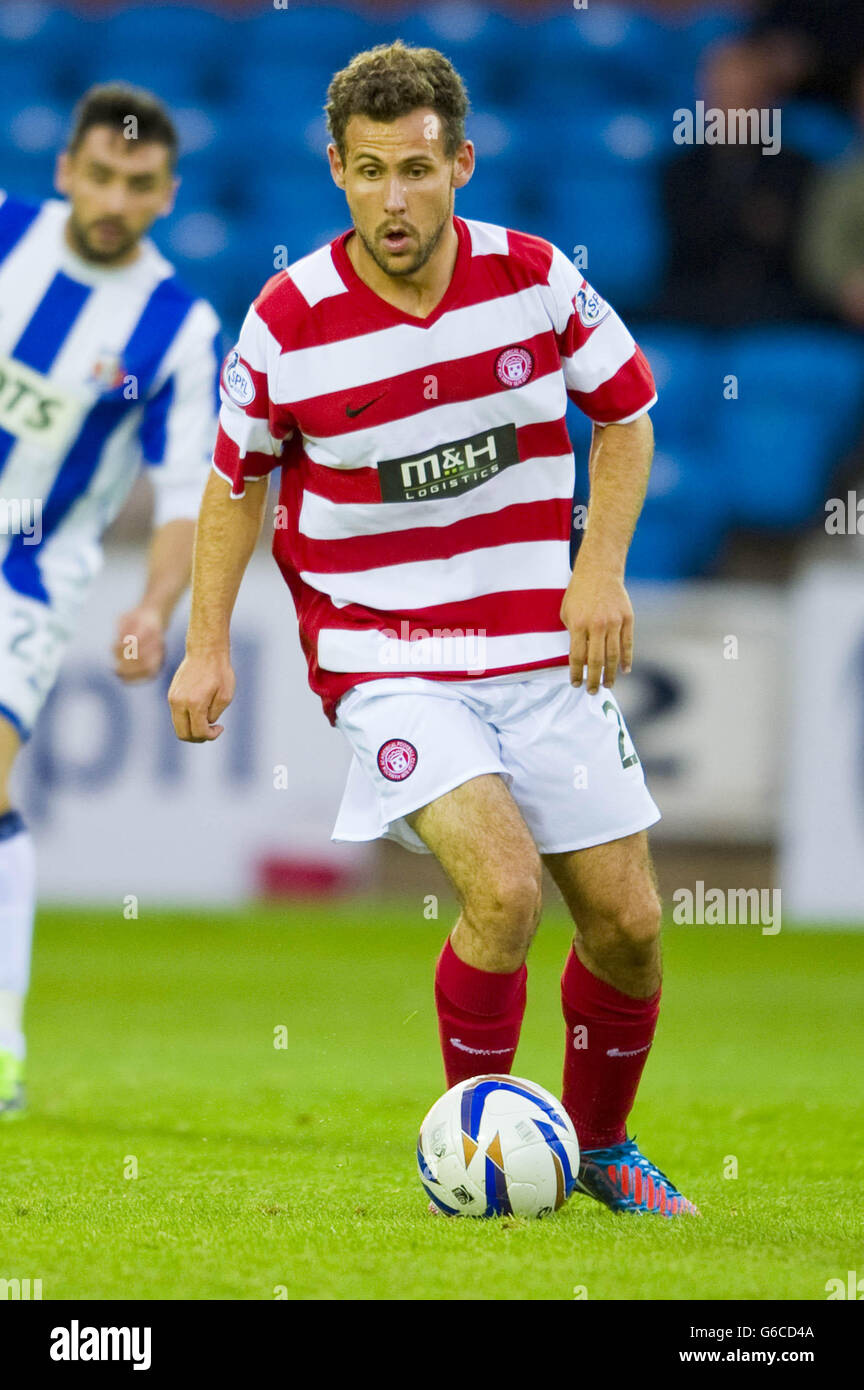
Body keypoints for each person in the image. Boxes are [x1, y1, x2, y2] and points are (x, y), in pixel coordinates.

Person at [169, 42, 698, 1217]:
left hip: (544, 655)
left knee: (629, 928)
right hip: (387, 662)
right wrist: (207, 646)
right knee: (505, 892)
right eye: (368, 173)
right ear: (337, 171)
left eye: (416, 169)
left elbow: (629, 412)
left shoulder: (535, 278)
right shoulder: (288, 319)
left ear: (460, 161)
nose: (393, 200)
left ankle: (602, 1146)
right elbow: (231, 483)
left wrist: (597, 570)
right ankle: (477, 1152)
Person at [0, 84, 221, 1117]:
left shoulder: (178, 326)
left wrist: (156, 603)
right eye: (100, 176)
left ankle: (0, 1042)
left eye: (138, 184)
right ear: (65, 172)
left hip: (30, 572)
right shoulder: (5, 235)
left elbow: (187, 491)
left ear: (167, 195)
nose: (114, 199)